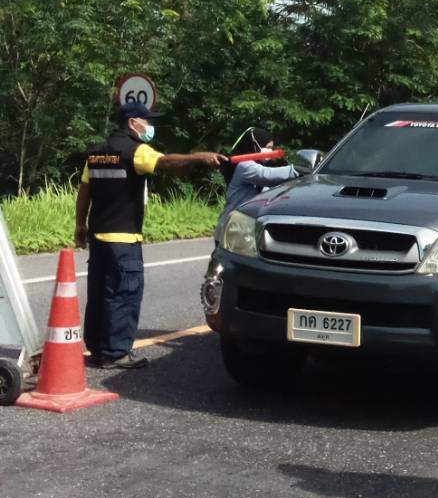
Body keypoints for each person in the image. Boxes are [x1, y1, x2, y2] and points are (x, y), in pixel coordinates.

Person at [75, 101, 223, 369]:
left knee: (100, 294)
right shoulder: (136, 150)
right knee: (123, 294)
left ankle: (98, 349)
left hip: (98, 238)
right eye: (147, 120)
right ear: (133, 122)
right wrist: (198, 157)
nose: (150, 125)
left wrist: (80, 225)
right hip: (124, 239)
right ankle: (116, 352)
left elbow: (84, 190)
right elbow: (165, 162)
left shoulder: (97, 153)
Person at [220, 125, 297, 220]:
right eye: (267, 147)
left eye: (271, 148)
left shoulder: (264, 164)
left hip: (250, 222)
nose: (270, 151)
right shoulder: (244, 165)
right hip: (233, 223)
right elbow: (266, 176)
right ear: (255, 146)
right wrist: (297, 170)